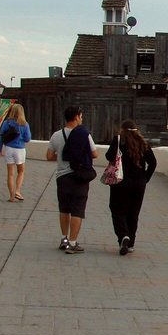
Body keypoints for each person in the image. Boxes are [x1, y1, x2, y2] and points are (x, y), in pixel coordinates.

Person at [46, 106, 98, 254]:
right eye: (81, 116)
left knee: (64, 209)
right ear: (76, 117)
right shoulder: (84, 134)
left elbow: (49, 156)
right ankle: (73, 242)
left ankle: (64, 239)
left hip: (62, 177)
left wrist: (62, 159)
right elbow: (95, 154)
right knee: (77, 210)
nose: (82, 119)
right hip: (79, 177)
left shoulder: (56, 135)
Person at [105, 119, 157, 255]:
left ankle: (123, 236)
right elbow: (153, 163)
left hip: (121, 181)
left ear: (122, 129)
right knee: (134, 212)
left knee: (117, 209)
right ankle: (131, 243)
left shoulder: (118, 141)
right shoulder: (143, 143)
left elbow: (108, 156)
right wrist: (146, 178)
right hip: (139, 183)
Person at [0, 103, 32, 202]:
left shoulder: (6, 123)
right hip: (20, 149)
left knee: (10, 174)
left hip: (9, 149)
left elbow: (1, 137)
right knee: (21, 171)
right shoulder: (24, 124)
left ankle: (11, 196)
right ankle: (17, 191)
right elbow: (28, 138)